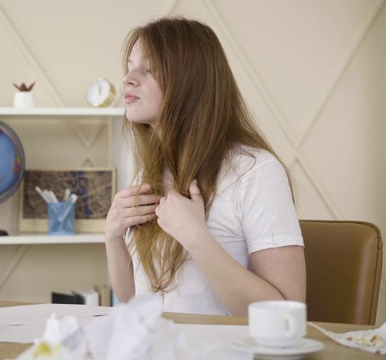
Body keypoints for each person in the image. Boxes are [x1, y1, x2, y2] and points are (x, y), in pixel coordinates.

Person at [104, 16, 306, 317]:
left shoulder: (256, 172)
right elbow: (134, 299)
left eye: (147, 69)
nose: (128, 79)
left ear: (190, 81)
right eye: (130, 68)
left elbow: (286, 313)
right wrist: (113, 237)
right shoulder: (150, 174)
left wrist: (195, 237)